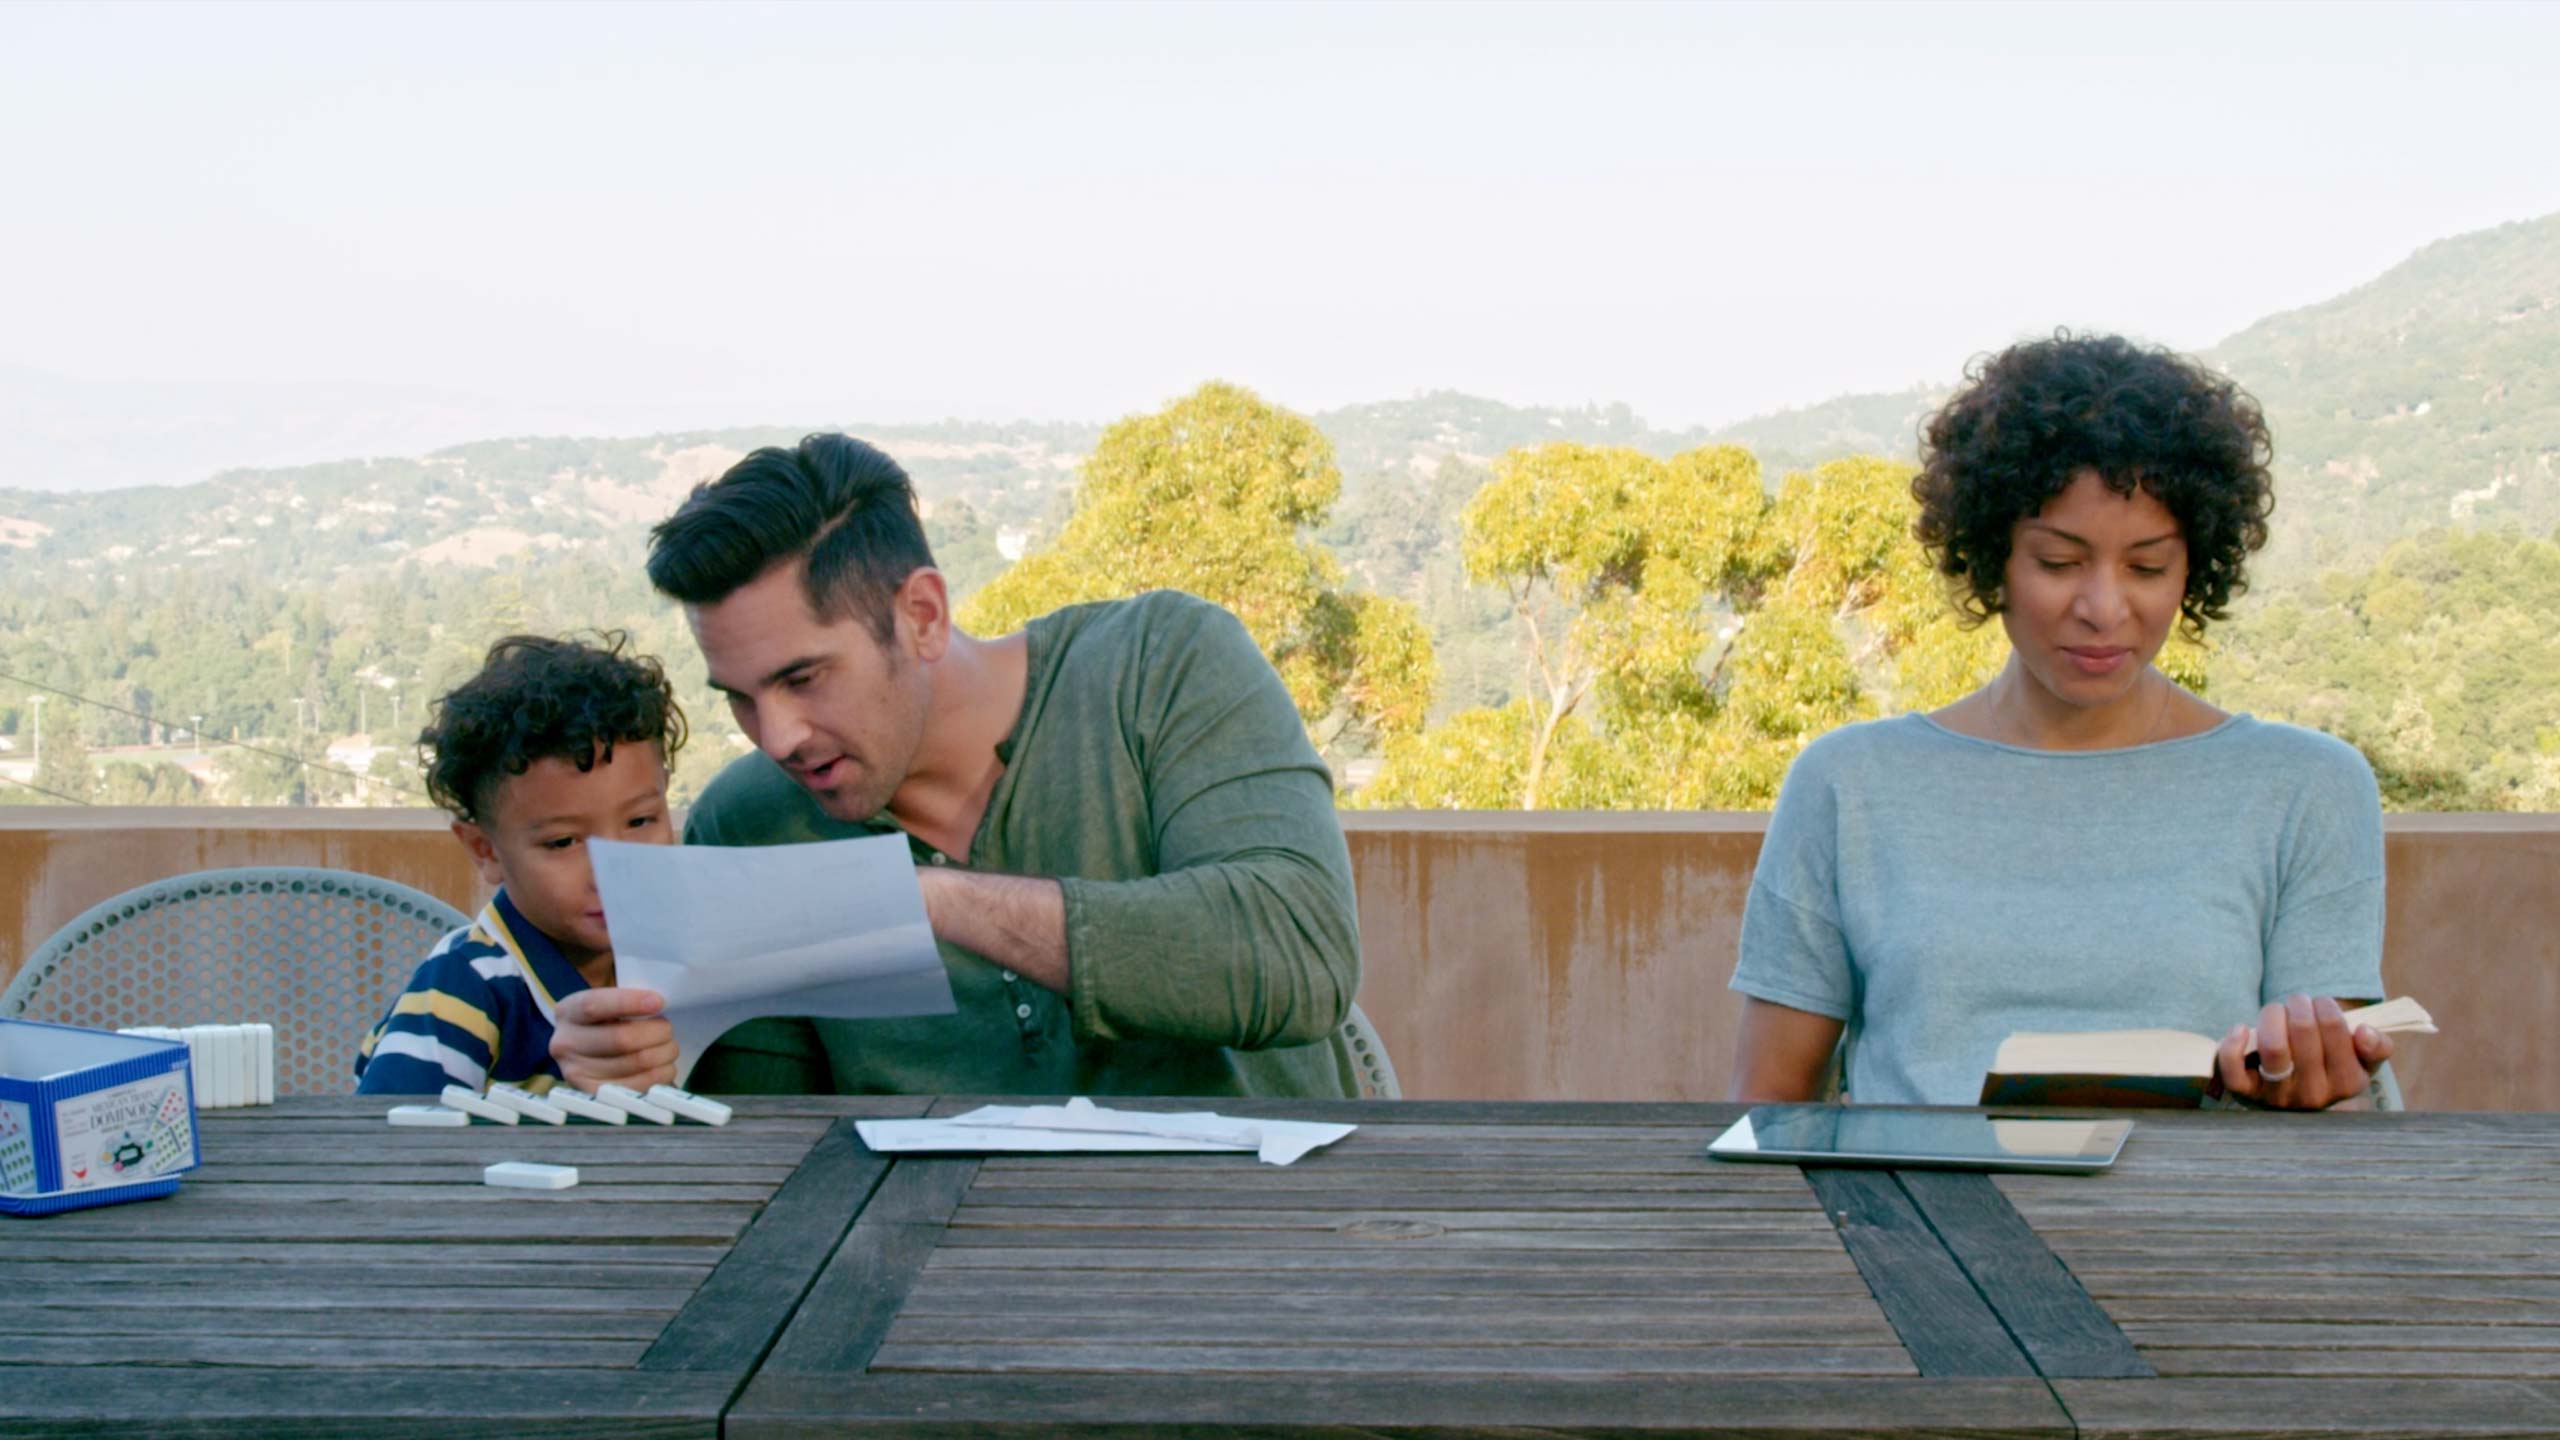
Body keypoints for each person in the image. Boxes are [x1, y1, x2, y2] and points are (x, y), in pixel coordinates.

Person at [545, 433, 1362, 1098]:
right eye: (741, 697)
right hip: (925, 1275)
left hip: (1257, 1248)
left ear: (922, 616)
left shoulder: (1161, 666)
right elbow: (767, 1144)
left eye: (803, 678)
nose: (778, 735)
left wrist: (914, 900)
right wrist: (640, 1079)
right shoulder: (751, 823)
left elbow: (1296, 953)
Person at [1728, 331, 2394, 1111]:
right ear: (1991, 558)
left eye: (2148, 567)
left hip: (2200, 1224)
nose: (2104, 609)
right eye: (2058, 562)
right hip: (1916, 1222)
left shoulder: (2306, 786)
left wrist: (2319, 1081)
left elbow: (2332, 1100)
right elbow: (1772, 1103)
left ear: (2196, 566)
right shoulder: (1850, 783)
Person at [353, 634, 685, 1093]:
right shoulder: (463, 989)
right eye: (564, 841)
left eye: (641, 819)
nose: (615, 871)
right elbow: (389, 1147)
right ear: (485, 850)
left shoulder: (673, 959)